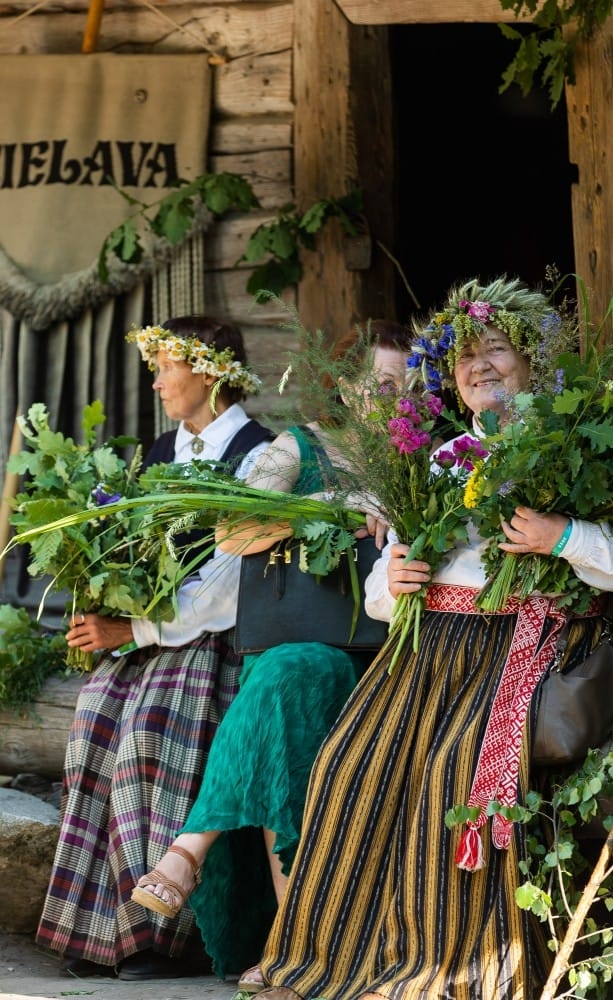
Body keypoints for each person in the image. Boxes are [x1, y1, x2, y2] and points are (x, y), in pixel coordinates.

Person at [244, 277, 613, 1000]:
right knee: (348, 762)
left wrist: (562, 535)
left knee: (454, 770)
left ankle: (443, 970)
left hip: (530, 647)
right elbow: (384, 592)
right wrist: (395, 579)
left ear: (531, 359)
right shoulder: (439, 462)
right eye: (465, 357)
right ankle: (333, 956)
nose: (479, 367)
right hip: (429, 654)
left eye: (495, 350)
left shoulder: (573, 442)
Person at [128, 318, 415, 984]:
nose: (388, 398)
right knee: (288, 679)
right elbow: (233, 532)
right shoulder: (295, 448)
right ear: (347, 387)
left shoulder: (422, 461)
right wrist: (335, 501)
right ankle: (292, 945)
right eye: (376, 384)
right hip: (293, 639)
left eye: (402, 386)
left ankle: (189, 856)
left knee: (289, 681)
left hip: (377, 654)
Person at [35, 315, 275, 981]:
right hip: (151, 641)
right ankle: (101, 930)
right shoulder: (162, 454)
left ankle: (166, 935)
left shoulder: (259, 456)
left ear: (210, 370)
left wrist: (133, 630)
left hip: (216, 646)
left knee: (151, 732)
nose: (157, 380)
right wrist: (103, 598)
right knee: (91, 722)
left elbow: (227, 592)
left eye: (167, 365)